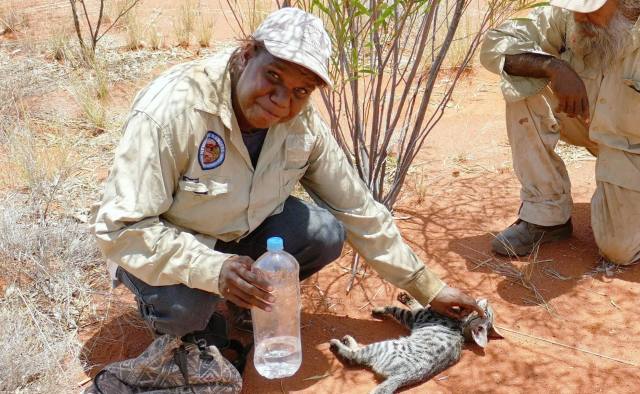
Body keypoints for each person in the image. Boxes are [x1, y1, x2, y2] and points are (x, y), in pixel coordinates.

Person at [91, 7, 484, 345]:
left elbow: (357, 207)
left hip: (239, 233)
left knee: (326, 232)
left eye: (301, 91)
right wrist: (211, 269)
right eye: (274, 77)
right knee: (188, 316)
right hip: (169, 242)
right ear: (247, 55)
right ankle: (168, 302)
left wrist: (427, 287)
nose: (282, 101)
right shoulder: (173, 112)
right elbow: (123, 227)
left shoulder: (303, 126)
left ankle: (247, 305)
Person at [480, 0, 640, 265]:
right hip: (584, 119)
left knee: (618, 251)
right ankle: (546, 216)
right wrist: (553, 67)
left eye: (591, 10)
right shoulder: (571, 13)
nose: (578, 17)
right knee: (521, 83)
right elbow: (496, 44)